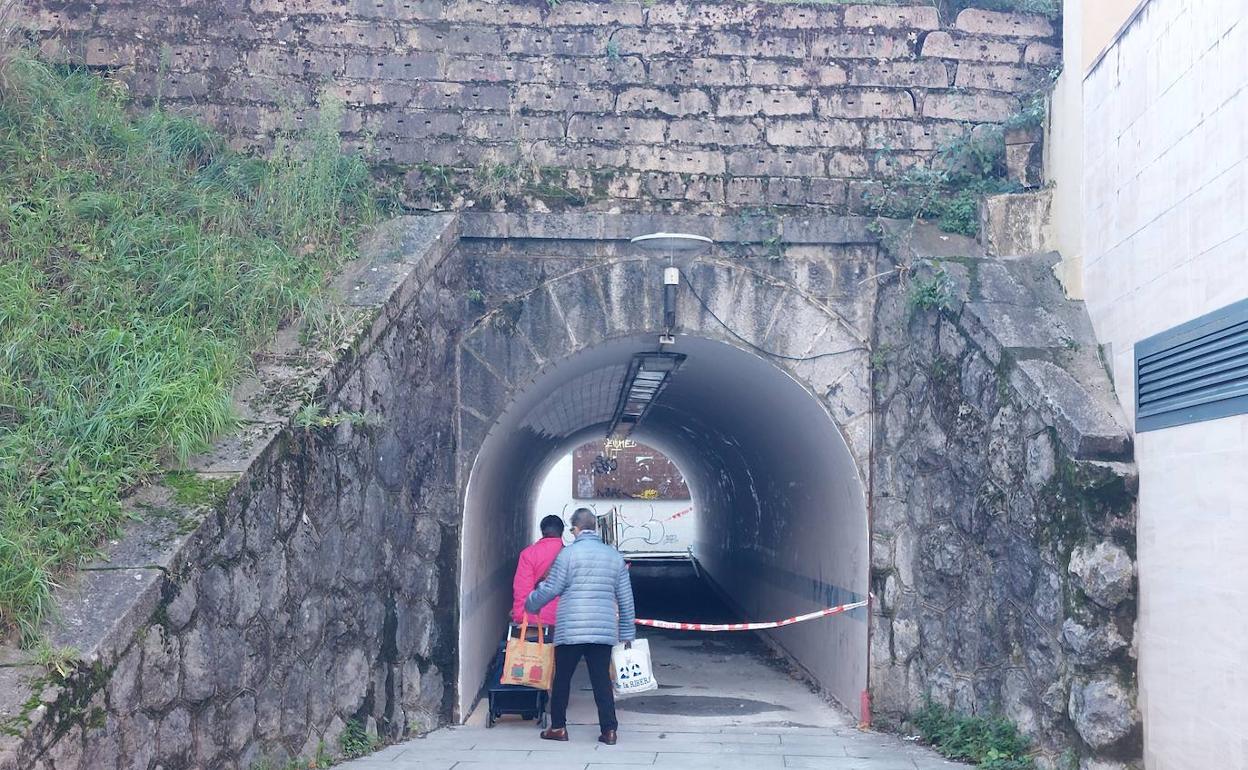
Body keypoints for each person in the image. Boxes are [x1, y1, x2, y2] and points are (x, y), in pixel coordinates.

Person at [526, 507, 635, 746]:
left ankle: (558, 728)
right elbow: (626, 598)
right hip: (602, 630)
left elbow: (551, 588)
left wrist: (531, 603)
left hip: (571, 629)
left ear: (575, 529)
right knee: (601, 681)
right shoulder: (614, 556)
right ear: (594, 527)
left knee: (562, 679)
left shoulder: (567, 555)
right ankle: (609, 731)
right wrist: (627, 632)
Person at [511, 515, 565, 629]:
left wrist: (520, 617)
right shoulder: (570, 555)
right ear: (561, 531)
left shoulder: (529, 554)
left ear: (542, 531)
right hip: (563, 618)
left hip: (535, 620)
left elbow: (522, 589)